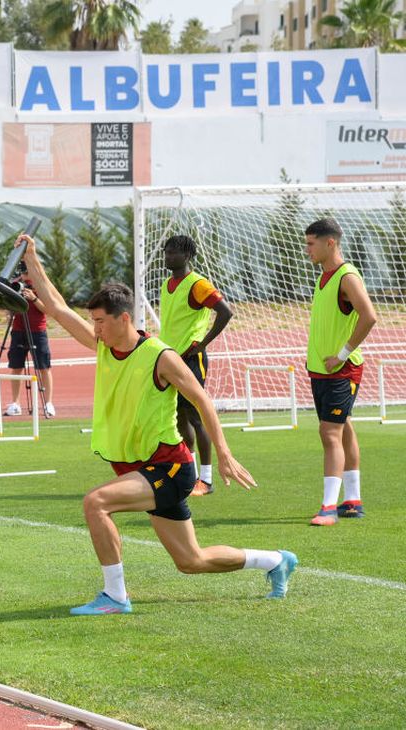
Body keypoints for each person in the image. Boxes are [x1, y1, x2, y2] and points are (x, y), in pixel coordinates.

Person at [17, 234, 297, 614]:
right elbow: (56, 305)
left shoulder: (159, 356)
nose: (94, 328)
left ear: (124, 318)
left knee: (95, 504)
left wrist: (226, 455)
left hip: (169, 467)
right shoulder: (104, 345)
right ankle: (276, 561)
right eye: (93, 321)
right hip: (138, 466)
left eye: (100, 321)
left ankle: (115, 596)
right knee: (191, 561)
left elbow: (202, 400)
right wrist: (33, 256)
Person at [303, 219, 377, 526]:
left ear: (329, 242)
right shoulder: (324, 277)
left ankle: (328, 508)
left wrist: (343, 354)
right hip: (321, 371)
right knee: (343, 426)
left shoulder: (347, 276)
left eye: (310, 243)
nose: (306, 249)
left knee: (329, 432)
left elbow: (370, 316)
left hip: (341, 371)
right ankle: (353, 501)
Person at [159, 235, 233, 496]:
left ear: (187, 256)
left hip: (190, 360)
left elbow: (225, 312)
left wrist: (202, 343)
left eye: (173, 253)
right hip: (169, 359)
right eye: (166, 252)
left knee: (196, 418)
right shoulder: (168, 284)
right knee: (177, 417)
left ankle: (207, 479)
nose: (167, 257)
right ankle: (187, 473)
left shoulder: (197, 284)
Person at [2, 270, 55, 419]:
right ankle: (15, 403)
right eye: (23, 270)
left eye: (27, 270)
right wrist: (9, 309)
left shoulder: (41, 284)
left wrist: (34, 298)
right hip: (19, 330)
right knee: (16, 367)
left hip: (38, 330)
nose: (25, 274)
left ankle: (48, 403)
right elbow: (8, 305)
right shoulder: (15, 283)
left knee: (43, 367)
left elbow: (49, 309)